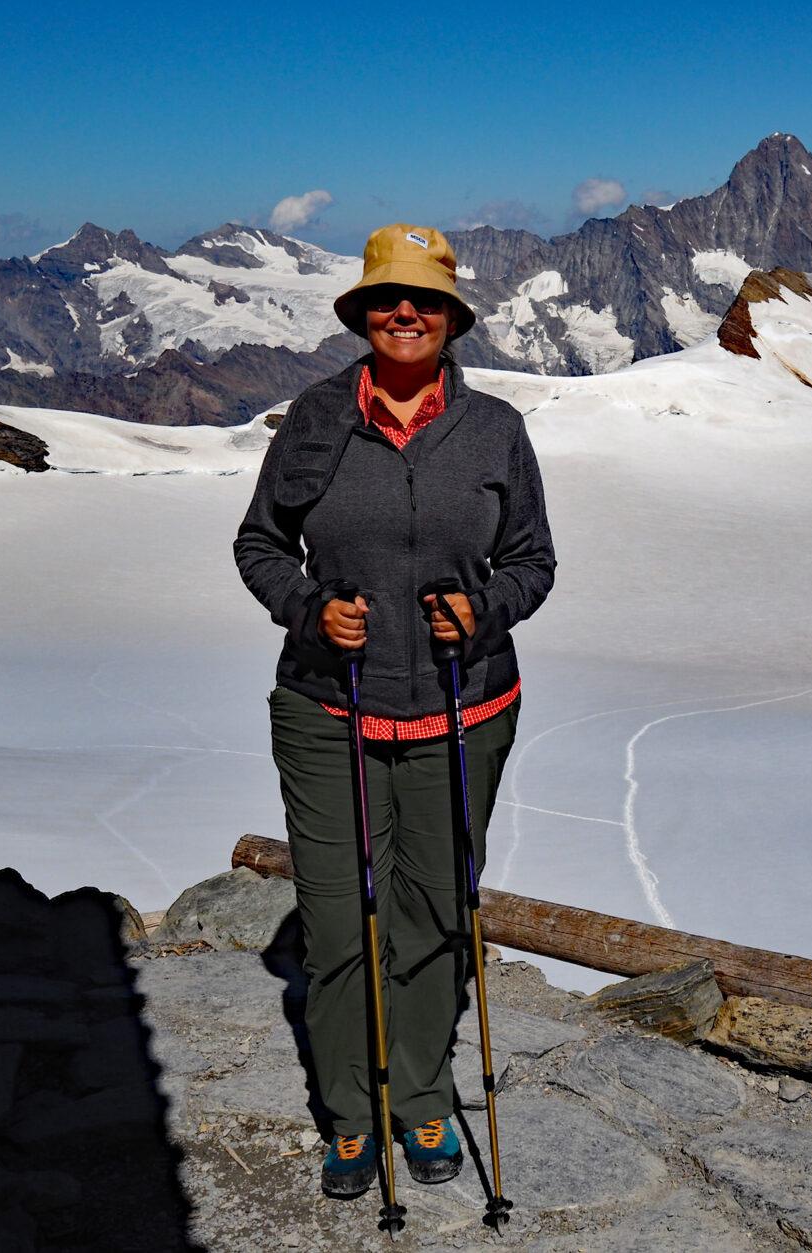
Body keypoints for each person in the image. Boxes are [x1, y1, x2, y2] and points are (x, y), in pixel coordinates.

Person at [232, 224, 556, 1199]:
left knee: (430, 918)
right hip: (329, 708)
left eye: (422, 299)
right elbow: (258, 544)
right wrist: (306, 606)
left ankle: (418, 1091)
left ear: (452, 317)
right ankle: (346, 1111)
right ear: (363, 314)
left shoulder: (494, 429)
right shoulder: (317, 420)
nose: (404, 312)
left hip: (464, 706)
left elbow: (531, 561)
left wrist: (484, 607)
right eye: (386, 298)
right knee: (337, 927)